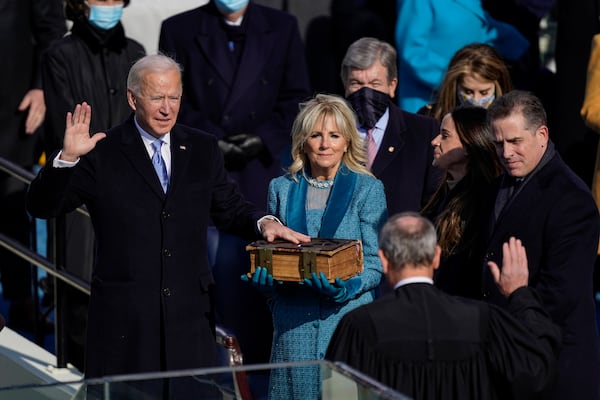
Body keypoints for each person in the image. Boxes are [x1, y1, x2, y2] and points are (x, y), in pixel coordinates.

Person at [25, 54, 310, 380]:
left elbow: (229, 208)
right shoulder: (102, 151)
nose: (167, 108)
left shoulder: (202, 148)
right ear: (133, 99)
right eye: (157, 97)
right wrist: (67, 159)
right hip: (125, 325)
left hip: (188, 322)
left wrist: (264, 223)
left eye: (174, 97)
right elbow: (42, 206)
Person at [158, 0, 312, 364]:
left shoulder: (283, 26)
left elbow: (296, 97)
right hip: (203, 161)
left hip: (260, 167)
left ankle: (256, 358)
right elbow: (171, 99)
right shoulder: (179, 28)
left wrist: (264, 137)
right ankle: (202, 358)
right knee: (204, 266)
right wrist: (212, 139)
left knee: (255, 262)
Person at [327, 212, 561, 400]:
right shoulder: (482, 319)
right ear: (436, 256)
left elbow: (334, 394)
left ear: (384, 261)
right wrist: (520, 295)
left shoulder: (359, 325)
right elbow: (535, 372)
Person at [244, 93, 387, 400]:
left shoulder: (369, 189)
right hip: (292, 330)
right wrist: (267, 286)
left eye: (334, 135)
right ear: (302, 141)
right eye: (316, 135)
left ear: (347, 141)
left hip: (346, 329)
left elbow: (376, 262)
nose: (325, 144)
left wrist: (346, 288)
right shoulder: (280, 189)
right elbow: (276, 259)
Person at [39, 0, 145, 370]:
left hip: (131, 192)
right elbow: (60, 125)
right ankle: (77, 369)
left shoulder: (135, 53)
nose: (109, 6)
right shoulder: (59, 53)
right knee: (78, 285)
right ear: (81, 3)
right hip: (81, 190)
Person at [483, 90, 600, 399]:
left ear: (542, 135)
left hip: (553, 367)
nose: (506, 153)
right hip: (511, 360)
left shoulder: (572, 200)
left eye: (515, 142)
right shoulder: (502, 184)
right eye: (498, 143)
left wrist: (516, 295)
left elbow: (564, 292)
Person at [0, 0, 66, 332]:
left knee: (12, 210)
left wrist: (42, 87)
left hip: (12, 115)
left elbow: (52, 33)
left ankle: (20, 301)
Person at [340, 37, 442, 216]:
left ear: (392, 85)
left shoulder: (423, 132)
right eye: (356, 83)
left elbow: (434, 201)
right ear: (345, 85)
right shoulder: (329, 132)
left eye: (374, 84)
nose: (366, 92)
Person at [421, 107, 502, 298]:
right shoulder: (443, 193)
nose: (435, 142)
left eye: (444, 135)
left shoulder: (485, 202)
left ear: (468, 145)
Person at [395, 0, 529, 113]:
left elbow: (481, 25)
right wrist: (455, 79)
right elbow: (413, 52)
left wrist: (519, 46)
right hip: (427, 100)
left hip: (467, 96)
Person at [418, 43, 513, 121]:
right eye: (468, 92)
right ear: (455, 85)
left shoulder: (513, 121)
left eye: (484, 92)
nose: (475, 100)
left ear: (498, 86)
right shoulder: (431, 118)